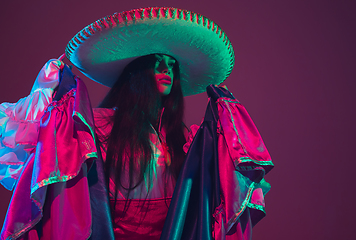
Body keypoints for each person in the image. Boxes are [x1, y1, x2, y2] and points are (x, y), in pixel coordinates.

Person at [0, 7, 273, 240]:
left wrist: (226, 117)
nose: (167, 70)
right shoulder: (100, 126)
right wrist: (55, 87)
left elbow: (210, 189)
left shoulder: (182, 137)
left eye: (171, 65)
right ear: (138, 73)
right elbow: (49, 152)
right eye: (157, 63)